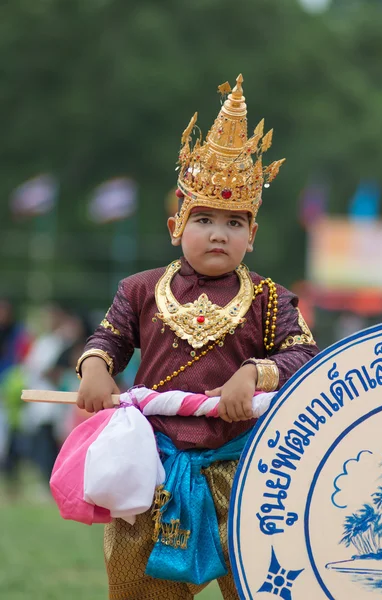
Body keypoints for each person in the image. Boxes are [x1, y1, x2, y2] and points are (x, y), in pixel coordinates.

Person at [76, 74, 319, 600]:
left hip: (249, 473)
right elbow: (108, 339)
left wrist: (253, 374)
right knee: (139, 589)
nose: (218, 233)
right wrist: (95, 368)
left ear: (251, 236)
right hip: (154, 468)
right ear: (174, 227)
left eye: (234, 222)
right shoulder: (139, 290)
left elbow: (307, 355)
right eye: (203, 218)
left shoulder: (270, 298)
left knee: (265, 588)